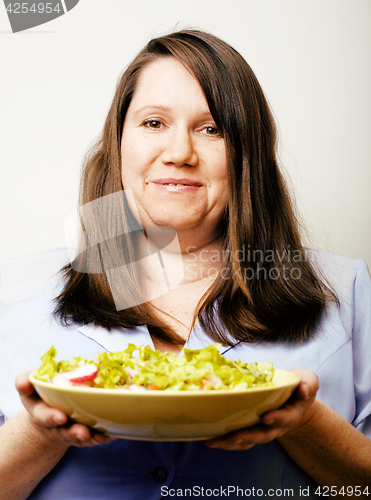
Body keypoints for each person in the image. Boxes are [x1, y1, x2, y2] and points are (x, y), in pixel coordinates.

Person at [0, 29, 370, 499]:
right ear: (119, 144)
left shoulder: (346, 289)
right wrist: (39, 431)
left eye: (212, 129)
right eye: (153, 123)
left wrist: (303, 421)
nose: (179, 154)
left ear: (247, 156)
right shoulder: (13, 292)